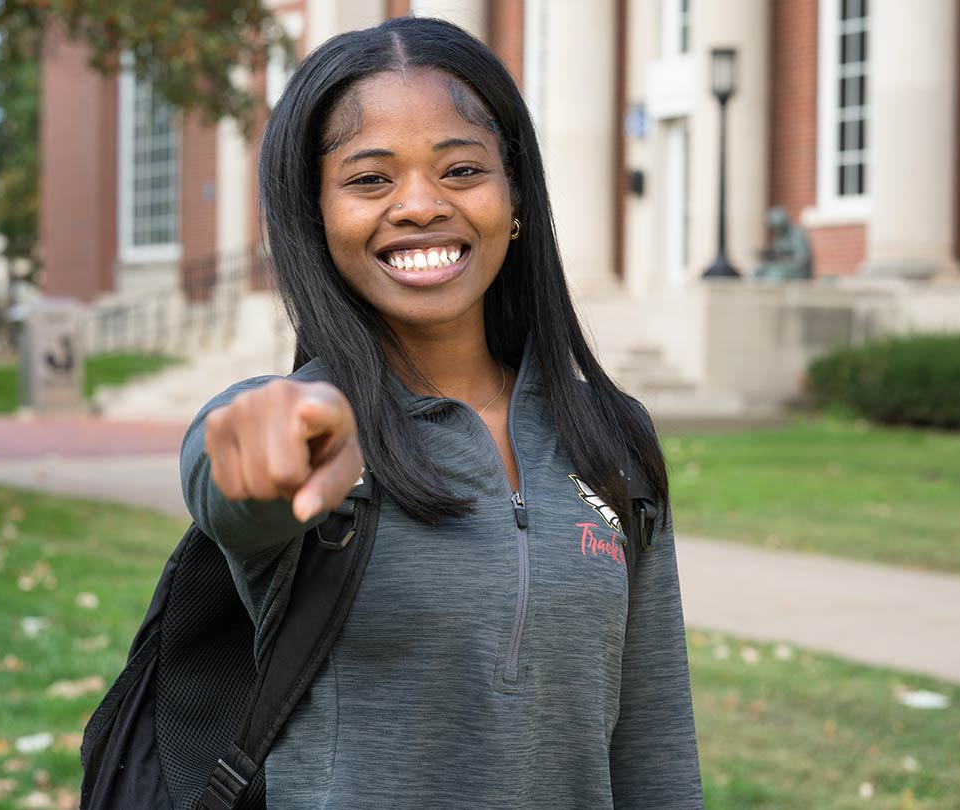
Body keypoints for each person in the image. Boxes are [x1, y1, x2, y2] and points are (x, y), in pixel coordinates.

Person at [180, 16, 703, 809]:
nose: (420, 205)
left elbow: (654, 747)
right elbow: (235, 491)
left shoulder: (613, 439)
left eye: (461, 170)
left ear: (515, 196)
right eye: (369, 179)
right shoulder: (308, 428)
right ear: (316, 220)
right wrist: (258, 463)